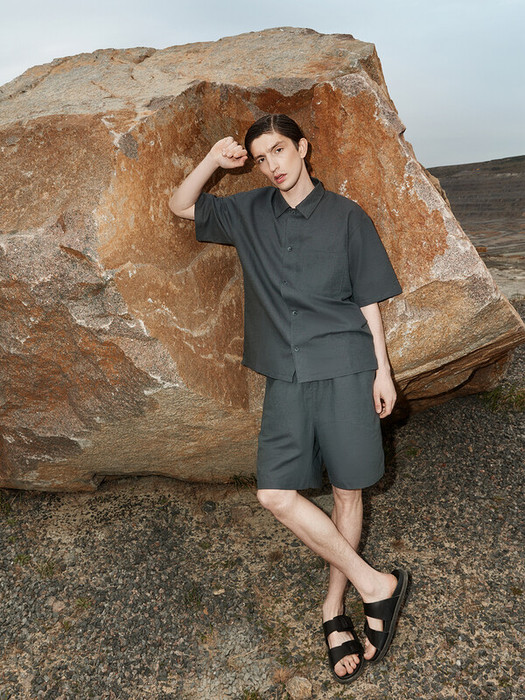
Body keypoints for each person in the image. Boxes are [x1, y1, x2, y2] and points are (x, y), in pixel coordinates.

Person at [168, 114, 408, 685]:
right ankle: (376, 584)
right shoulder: (247, 211)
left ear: (302, 147)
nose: (272, 165)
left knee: (348, 490)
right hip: (288, 372)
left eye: (279, 150)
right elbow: (181, 206)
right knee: (274, 493)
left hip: (347, 363)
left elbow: (368, 300)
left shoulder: (347, 216)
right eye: (260, 157)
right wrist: (213, 160)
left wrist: (383, 372)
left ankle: (334, 606)